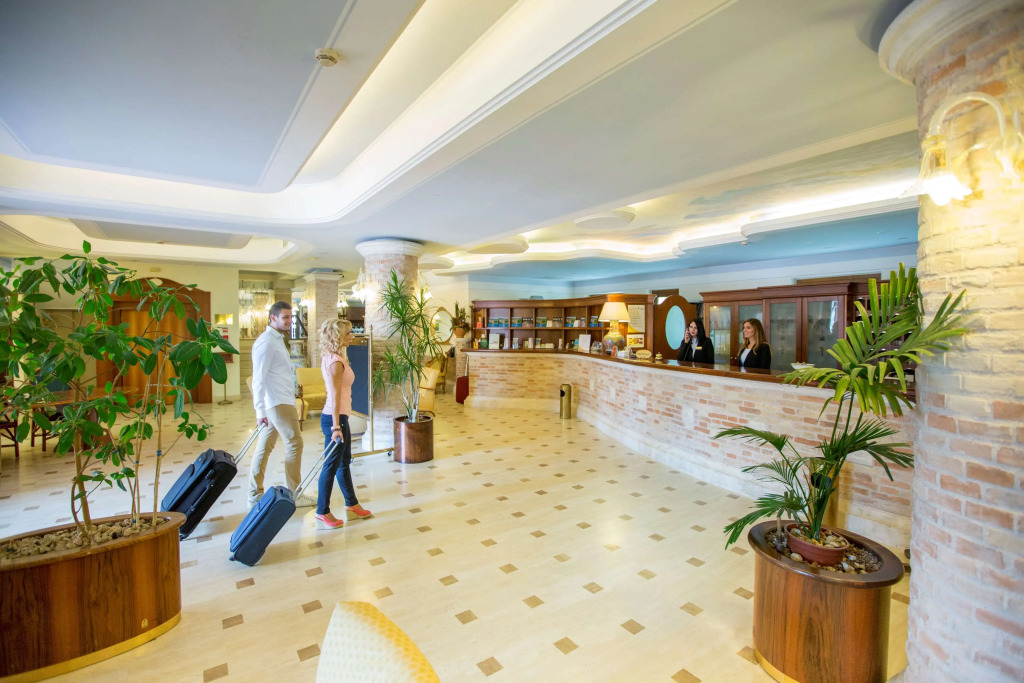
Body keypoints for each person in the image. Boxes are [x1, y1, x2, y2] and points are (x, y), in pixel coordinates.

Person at [249, 301, 312, 508]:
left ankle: (254, 494)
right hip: (278, 403)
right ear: (273, 318)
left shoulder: (277, 340)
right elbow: (258, 379)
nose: (289, 321)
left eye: (290, 317)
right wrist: (259, 410)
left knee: (264, 448)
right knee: (295, 443)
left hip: (282, 399)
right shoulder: (266, 342)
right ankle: (296, 494)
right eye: (285, 317)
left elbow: (277, 373)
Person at [314, 318, 372, 530]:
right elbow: (335, 396)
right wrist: (336, 427)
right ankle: (322, 512)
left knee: (343, 463)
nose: (351, 336)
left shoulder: (335, 358)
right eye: (347, 333)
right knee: (331, 466)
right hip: (335, 418)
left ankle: (352, 504)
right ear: (338, 336)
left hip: (339, 417)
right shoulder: (335, 362)